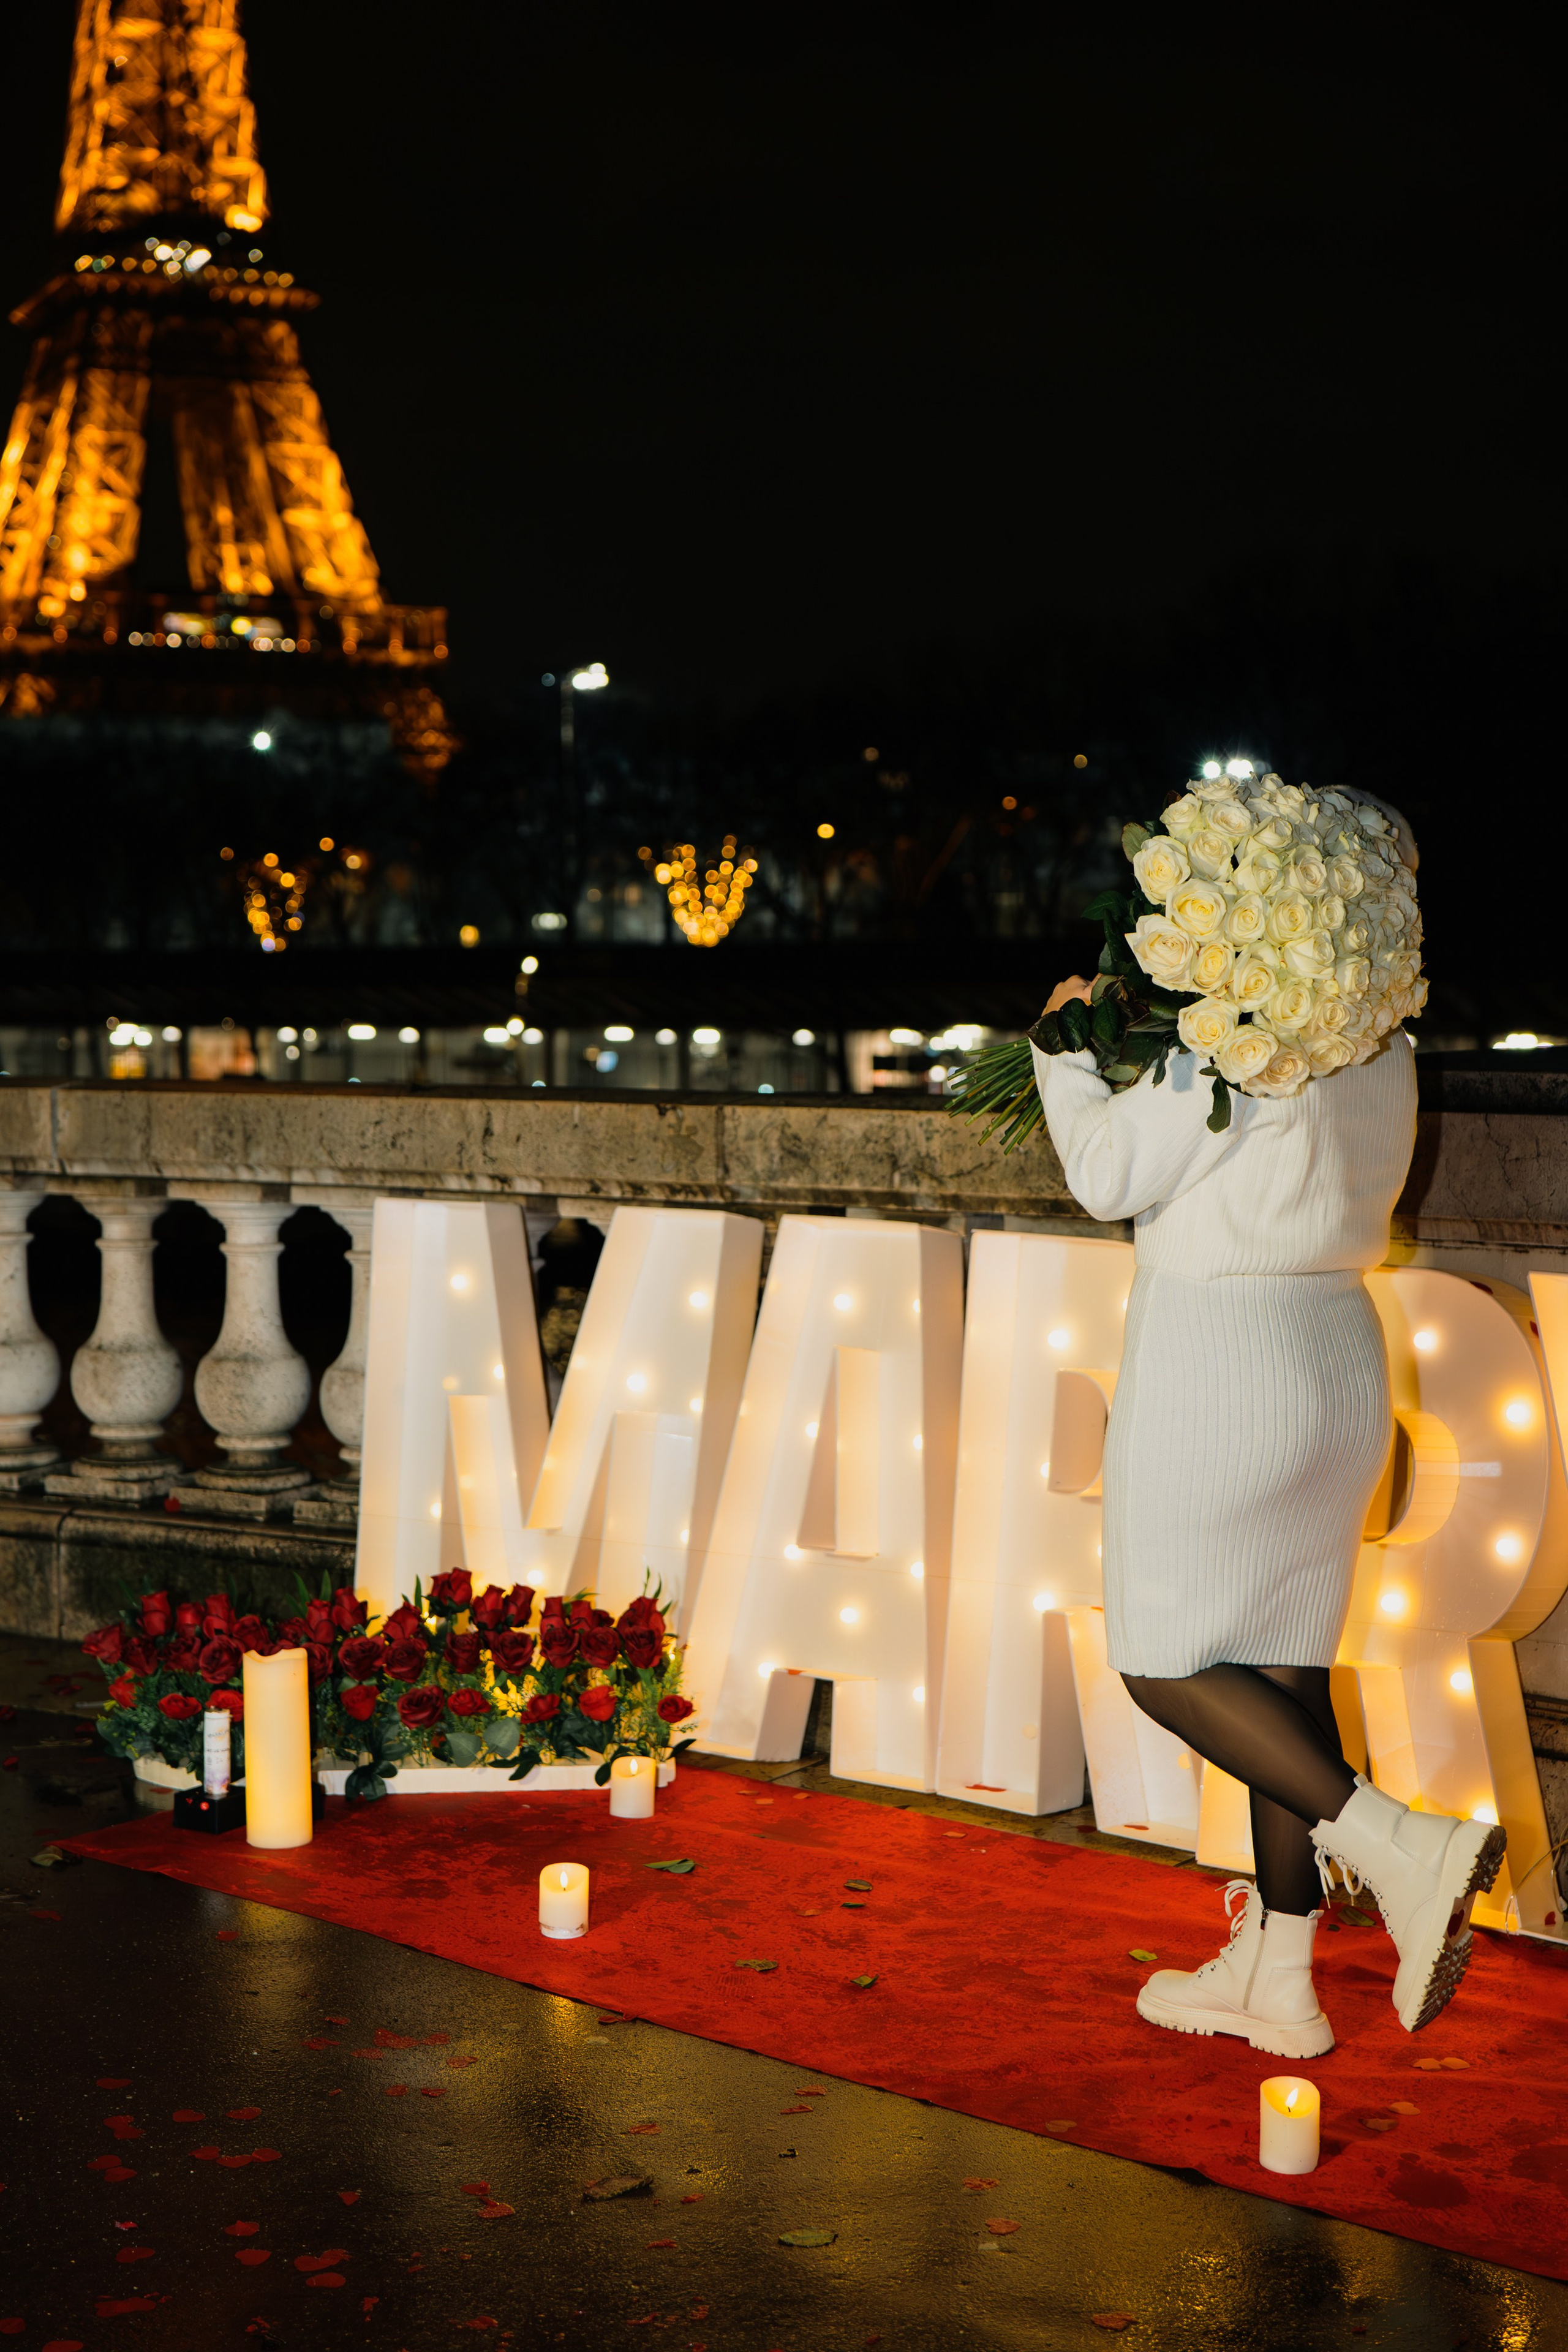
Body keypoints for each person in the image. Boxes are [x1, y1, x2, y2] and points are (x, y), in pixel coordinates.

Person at [1033, 797, 1505, 2056]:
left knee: (1165, 1661)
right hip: (1336, 1357)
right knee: (1284, 1667)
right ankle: (1278, 1980)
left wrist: (1060, 1046)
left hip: (1218, 1360)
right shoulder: (1379, 1046)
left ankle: (1404, 1850)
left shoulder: (1232, 1041)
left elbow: (1104, 1175)